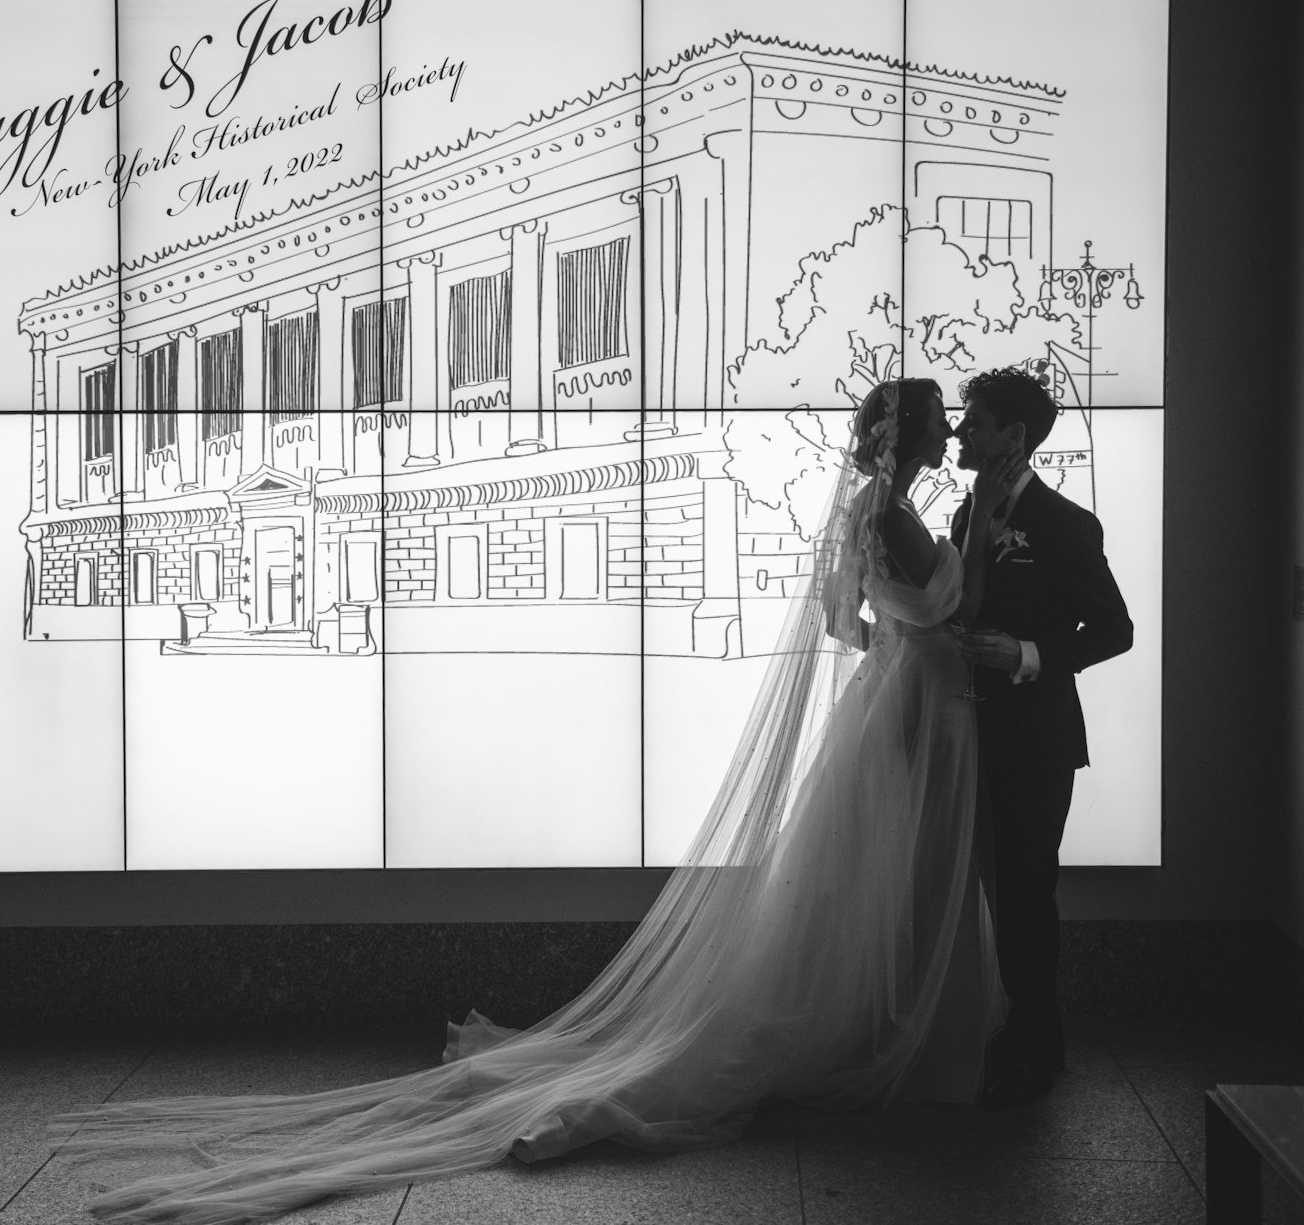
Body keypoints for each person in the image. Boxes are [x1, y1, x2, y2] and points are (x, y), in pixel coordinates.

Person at [52, 381, 1011, 1224]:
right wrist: (956, 598)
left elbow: (846, 621)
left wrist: (909, 626)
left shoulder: (871, 509)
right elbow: (938, 609)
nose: (947, 432)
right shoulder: (895, 513)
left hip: (894, 693)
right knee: (897, 874)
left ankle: (878, 1018)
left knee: (868, 881)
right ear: (906, 437)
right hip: (915, 702)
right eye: (937, 421)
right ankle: (886, 1028)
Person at [949, 368, 1134, 1109]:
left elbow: (1115, 630)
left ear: (1014, 437)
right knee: (990, 894)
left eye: (975, 421)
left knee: (1027, 893)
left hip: (1035, 738)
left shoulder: (1065, 524)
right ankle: (1009, 1031)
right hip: (964, 734)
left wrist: (1026, 656)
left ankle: (1036, 1044)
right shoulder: (968, 515)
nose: (962, 433)